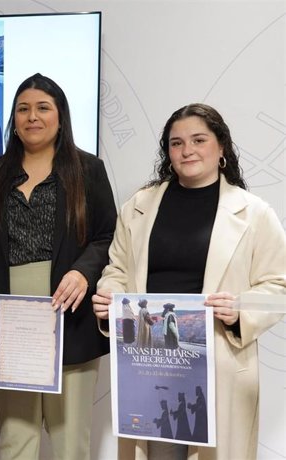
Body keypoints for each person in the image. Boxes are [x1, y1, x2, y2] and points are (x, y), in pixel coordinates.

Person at [0, 73, 117, 460]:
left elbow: (108, 236)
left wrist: (83, 272)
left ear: (60, 116)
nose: (32, 116)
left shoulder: (88, 169)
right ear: (14, 118)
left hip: (69, 316)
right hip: (7, 321)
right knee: (16, 438)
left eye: (43, 108)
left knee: (70, 443)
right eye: (23, 109)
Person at [93, 103, 286, 460]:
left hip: (217, 357)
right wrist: (110, 296)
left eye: (199, 140)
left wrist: (240, 308)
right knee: (157, 453)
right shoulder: (139, 205)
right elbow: (117, 269)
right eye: (176, 143)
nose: (187, 151)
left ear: (221, 147)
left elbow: (279, 288)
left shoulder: (254, 213)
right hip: (149, 358)